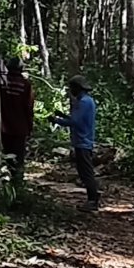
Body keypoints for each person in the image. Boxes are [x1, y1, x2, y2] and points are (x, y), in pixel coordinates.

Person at [51, 76, 101, 209]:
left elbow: (75, 122)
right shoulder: (86, 101)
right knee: (83, 171)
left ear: (78, 88)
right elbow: (77, 120)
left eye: (72, 87)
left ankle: (93, 199)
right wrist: (62, 116)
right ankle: (93, 196)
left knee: (86, 172)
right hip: (82, 140)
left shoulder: (83, 102)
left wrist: (57, 121)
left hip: (83, 141)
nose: (70, 90)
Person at [0, 58, 36, 192]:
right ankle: (17, 187)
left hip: (3, 127)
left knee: (6, 155)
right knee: (18, 158)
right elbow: (29, 108)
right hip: (20, 128)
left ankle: (6, 186)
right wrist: (30, 126)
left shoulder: (1, 83)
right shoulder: (25, 85)